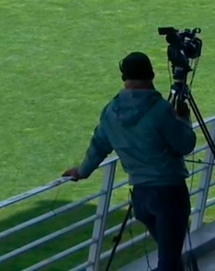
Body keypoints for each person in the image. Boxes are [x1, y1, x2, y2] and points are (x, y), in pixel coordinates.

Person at [62, 52, 196, 271]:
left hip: (141, 198)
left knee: (170, 257)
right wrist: (183, 118)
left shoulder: (110, 111)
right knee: (169, 262)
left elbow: (98, 146)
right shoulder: (160, 109)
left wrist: (81, 171)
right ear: (151, 74)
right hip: (169, 195)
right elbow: (185, 145)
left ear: (124, 77)